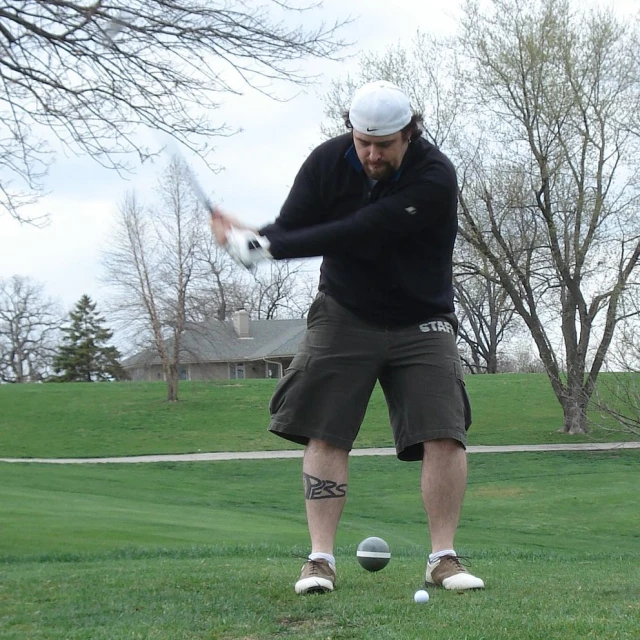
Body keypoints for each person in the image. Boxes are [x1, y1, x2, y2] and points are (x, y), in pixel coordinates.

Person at [211, 80, 485, 595]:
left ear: (409, 133)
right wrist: (258, 238)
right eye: (363, 142)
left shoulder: (434, 176)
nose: (372, 154)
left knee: (444, 432)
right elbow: (293, 224)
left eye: (384, 144)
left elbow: (361, 229)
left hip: (422, 317)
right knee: (326, 430)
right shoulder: (327, 161)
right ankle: (319, 562)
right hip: (344, 311)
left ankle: (443, 559)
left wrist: (265, 246)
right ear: (351, 131)